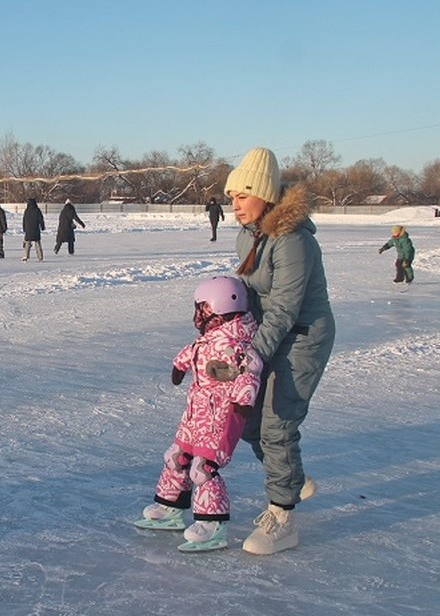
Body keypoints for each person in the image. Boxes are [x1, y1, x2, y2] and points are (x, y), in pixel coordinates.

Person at [227, 147, 335, 555]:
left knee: (277, 423)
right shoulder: (248, 236)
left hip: (304, 336)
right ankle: (292, 477)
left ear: (266, 196)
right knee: (249, 423)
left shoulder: (293, 241)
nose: (235, 205)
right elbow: (255, 298)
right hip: (272, 334)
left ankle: (282, 515)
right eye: (232, 197)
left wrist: (254, 354)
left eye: (243, 196)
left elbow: (287, 307)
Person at [134, 276, 262, 552]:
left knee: (203, 469)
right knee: (176, 458)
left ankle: (212, 523)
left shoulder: (237, 343)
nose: (198, 314)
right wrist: (179, 365)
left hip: (222, 416)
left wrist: (243, 401)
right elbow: (192, 351)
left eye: (203, 308)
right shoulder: (210, 338)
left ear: (220, 307)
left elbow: (250, 374)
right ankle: (170, 508)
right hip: (196, 412)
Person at [21, 197, 45, 262]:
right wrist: (42, 226)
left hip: (28, 229)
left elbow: (24, 220)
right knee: (37, 243)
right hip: (36, 229)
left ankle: (26, 256)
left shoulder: (27, 210)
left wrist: (24, 228)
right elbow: (41, 219)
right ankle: (40, 257)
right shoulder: (37, 210)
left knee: (27, 243)